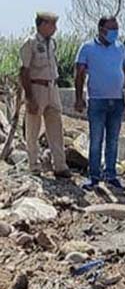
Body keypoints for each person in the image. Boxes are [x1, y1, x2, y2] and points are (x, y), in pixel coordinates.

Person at [74, 15, 125, 190]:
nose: (115, 32)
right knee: (96, 139)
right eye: (112, 29)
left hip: (117, 100)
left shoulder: (121, 48)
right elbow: (79, 73)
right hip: (96, 100)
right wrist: (79, 98)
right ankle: (94, 176)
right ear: (101, 29)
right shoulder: (87, 48)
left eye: (116, 28)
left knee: (113, 140)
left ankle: (111, 174)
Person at [19, 12, 71, 177]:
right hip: (37, 87)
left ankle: (60, 165)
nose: (55, 28)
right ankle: (34, 166)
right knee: (33, 128)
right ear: (42, 25)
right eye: (52, 24)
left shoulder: (52, 43)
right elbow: (24, 71)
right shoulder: (30, 43)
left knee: (56, 127)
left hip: (52, 87)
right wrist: (29, 97)